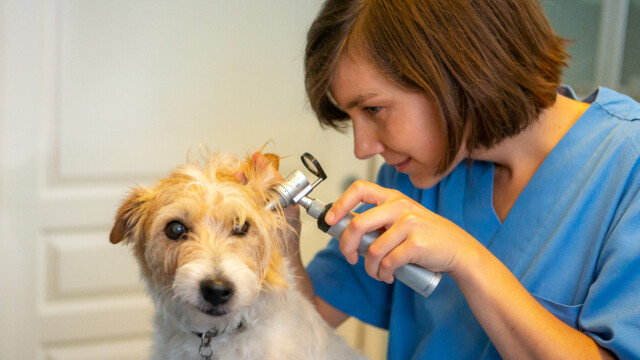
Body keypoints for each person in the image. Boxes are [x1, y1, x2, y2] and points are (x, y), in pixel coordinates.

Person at [263, 0, 640, 358]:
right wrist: (283, 241)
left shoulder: (627, 167)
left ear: (463, 69)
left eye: (374, 109)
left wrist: (468, 259)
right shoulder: (411, 175)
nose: (363, 148)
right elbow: (305, 324)